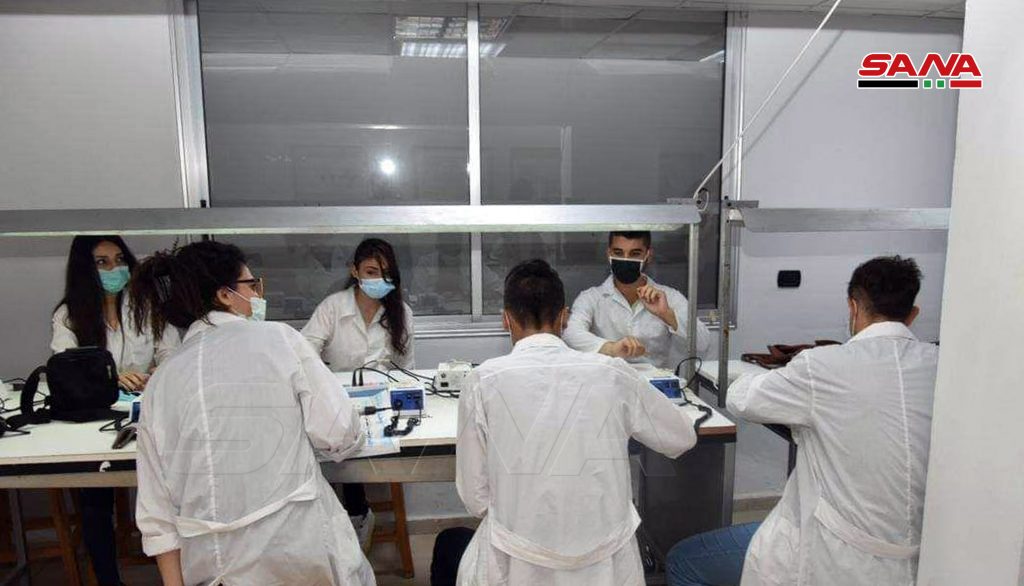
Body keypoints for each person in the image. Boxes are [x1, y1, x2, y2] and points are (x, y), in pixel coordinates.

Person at [665, 256, 939, 586]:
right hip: (922, 556)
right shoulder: (941, 365)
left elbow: (741, 399)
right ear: (913, 314)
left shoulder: (822, 366)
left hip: (833, 553)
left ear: (852, 307)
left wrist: (784, 375)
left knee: (684, 560)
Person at [129, 241, 375, 585]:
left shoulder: (162, 381)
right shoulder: (278, 339)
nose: (258, 294)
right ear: (225, 295)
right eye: (251, 285)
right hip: (297, 552)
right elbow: (339, 433)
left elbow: (157, 516)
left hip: (212, 568)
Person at [455, 259, 699, 585]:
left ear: (505, 320)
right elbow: (682, 437)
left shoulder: (481, 381)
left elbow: (475, 498)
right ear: (564, 317)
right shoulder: (612, 372)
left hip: (519, 561)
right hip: (608, 564)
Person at [50, 235, 180, 586]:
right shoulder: (68, 315)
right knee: (95, 497)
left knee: (176, 486)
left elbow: (172, 353)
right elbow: (66, 367)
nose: (114, 269)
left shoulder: (146, 306)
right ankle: (109, 579)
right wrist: (110, 377)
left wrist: (158, 373)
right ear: (85, 269)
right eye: (102, 262)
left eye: (120, 260)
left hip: (148, 414)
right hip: (96, 420)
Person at [302, 237, 416, 549]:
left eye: (386, 273)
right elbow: (304, 353)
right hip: (338, 400)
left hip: (384, 403)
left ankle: (356, 514)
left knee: (370, 441)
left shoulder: (401, 312)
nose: (379, 280)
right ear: (354, 271)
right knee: (335, 443)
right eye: (371, 272)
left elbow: (406, 369)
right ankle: (354, 513)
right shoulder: (333, 307)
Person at [563, 231, 711, 371]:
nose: (626, 259)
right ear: (609, 254)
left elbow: (703, 342)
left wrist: (667, 314)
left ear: (648, 255)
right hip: (610, 379)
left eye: (635, 253)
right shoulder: (590, 297)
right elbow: (570, 333)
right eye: (618, 253)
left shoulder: (670, 297)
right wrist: (612, 348)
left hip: (655, 382)